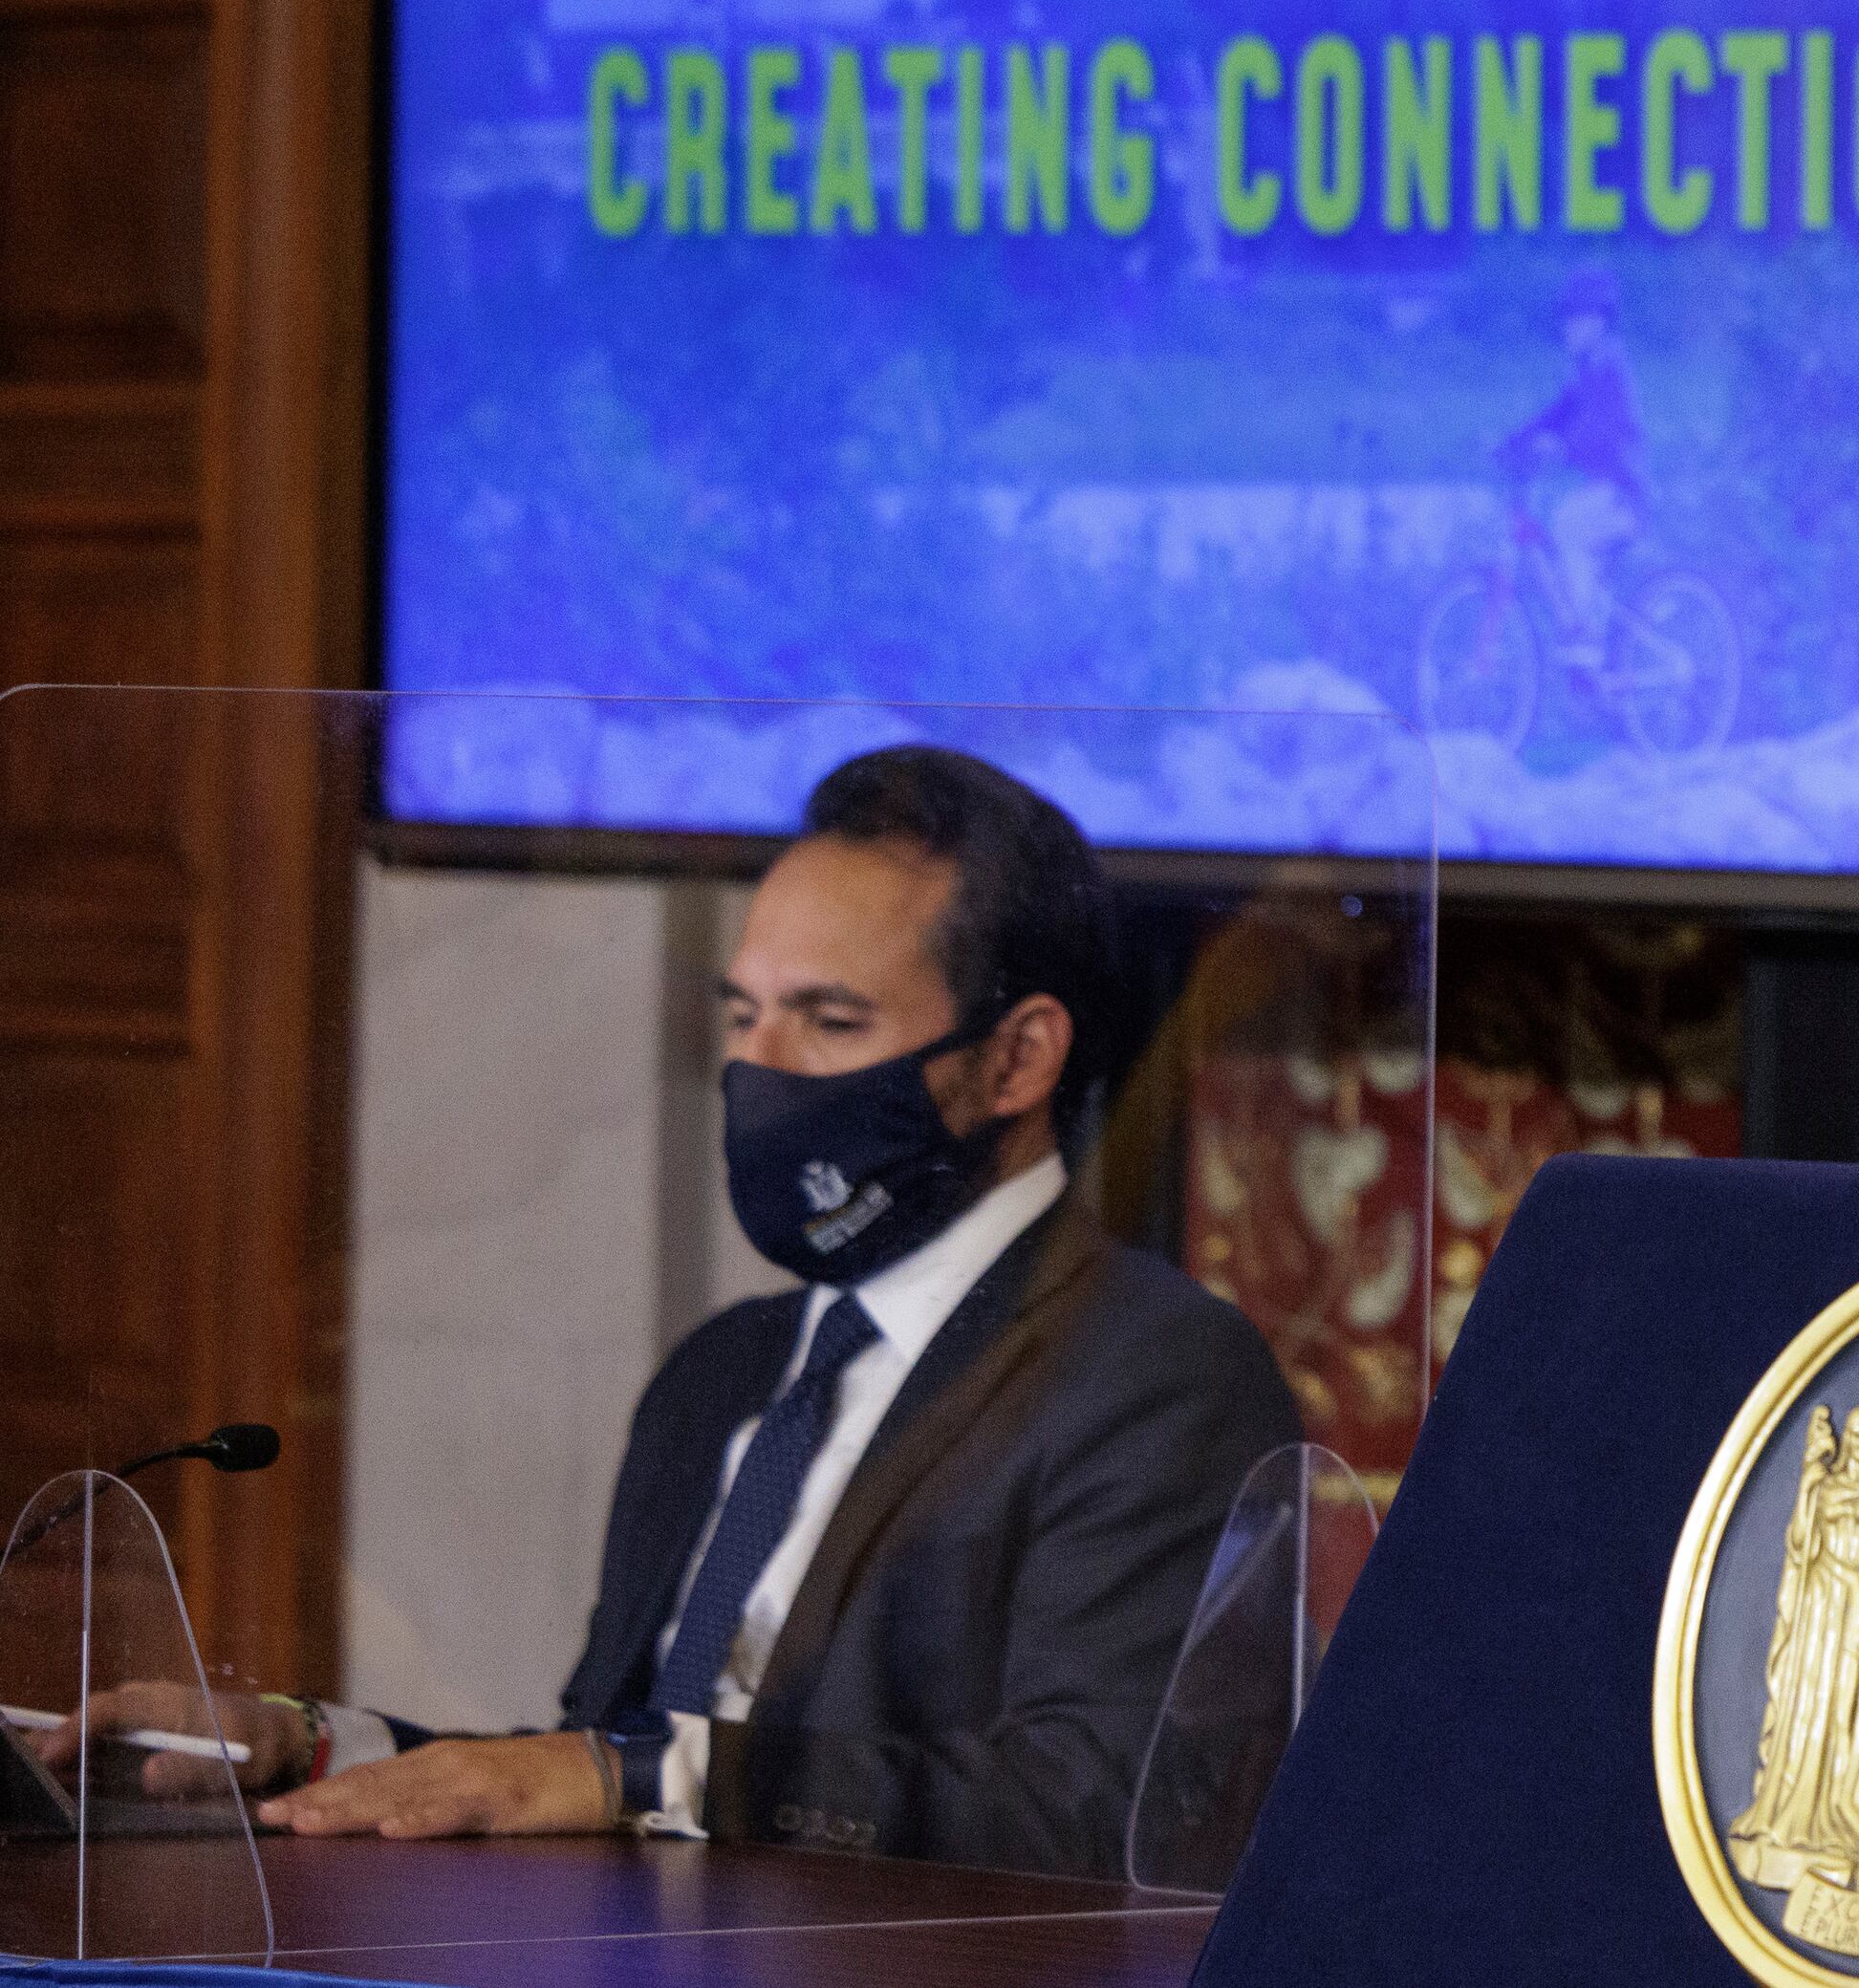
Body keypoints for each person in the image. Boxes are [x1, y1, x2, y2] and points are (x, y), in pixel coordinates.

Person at [28, 746, 1300, 1875]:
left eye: (830, 1019)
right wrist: (307, 1749)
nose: (761, 1073)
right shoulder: (725, 1369)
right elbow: (591, 1770)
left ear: (1018, 1058)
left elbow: (1106, 1806)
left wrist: (639, 1777)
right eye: (745, 1014)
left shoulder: (1153, 1373)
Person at [1506, 265, 1650, 617]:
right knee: (1569, 530)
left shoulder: (1610, 367)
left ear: (1598, 322)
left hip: (1624, 494)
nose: (1566, 327)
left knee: (1568, 524)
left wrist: (1563, 446)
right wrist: (1514, 443)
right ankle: (1589, 632)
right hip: (1607, 493)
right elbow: (1558, 413)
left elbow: (1606, 426)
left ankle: (1584, 634)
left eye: (1575, 318)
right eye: (1565, 318)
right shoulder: (1586, 369)